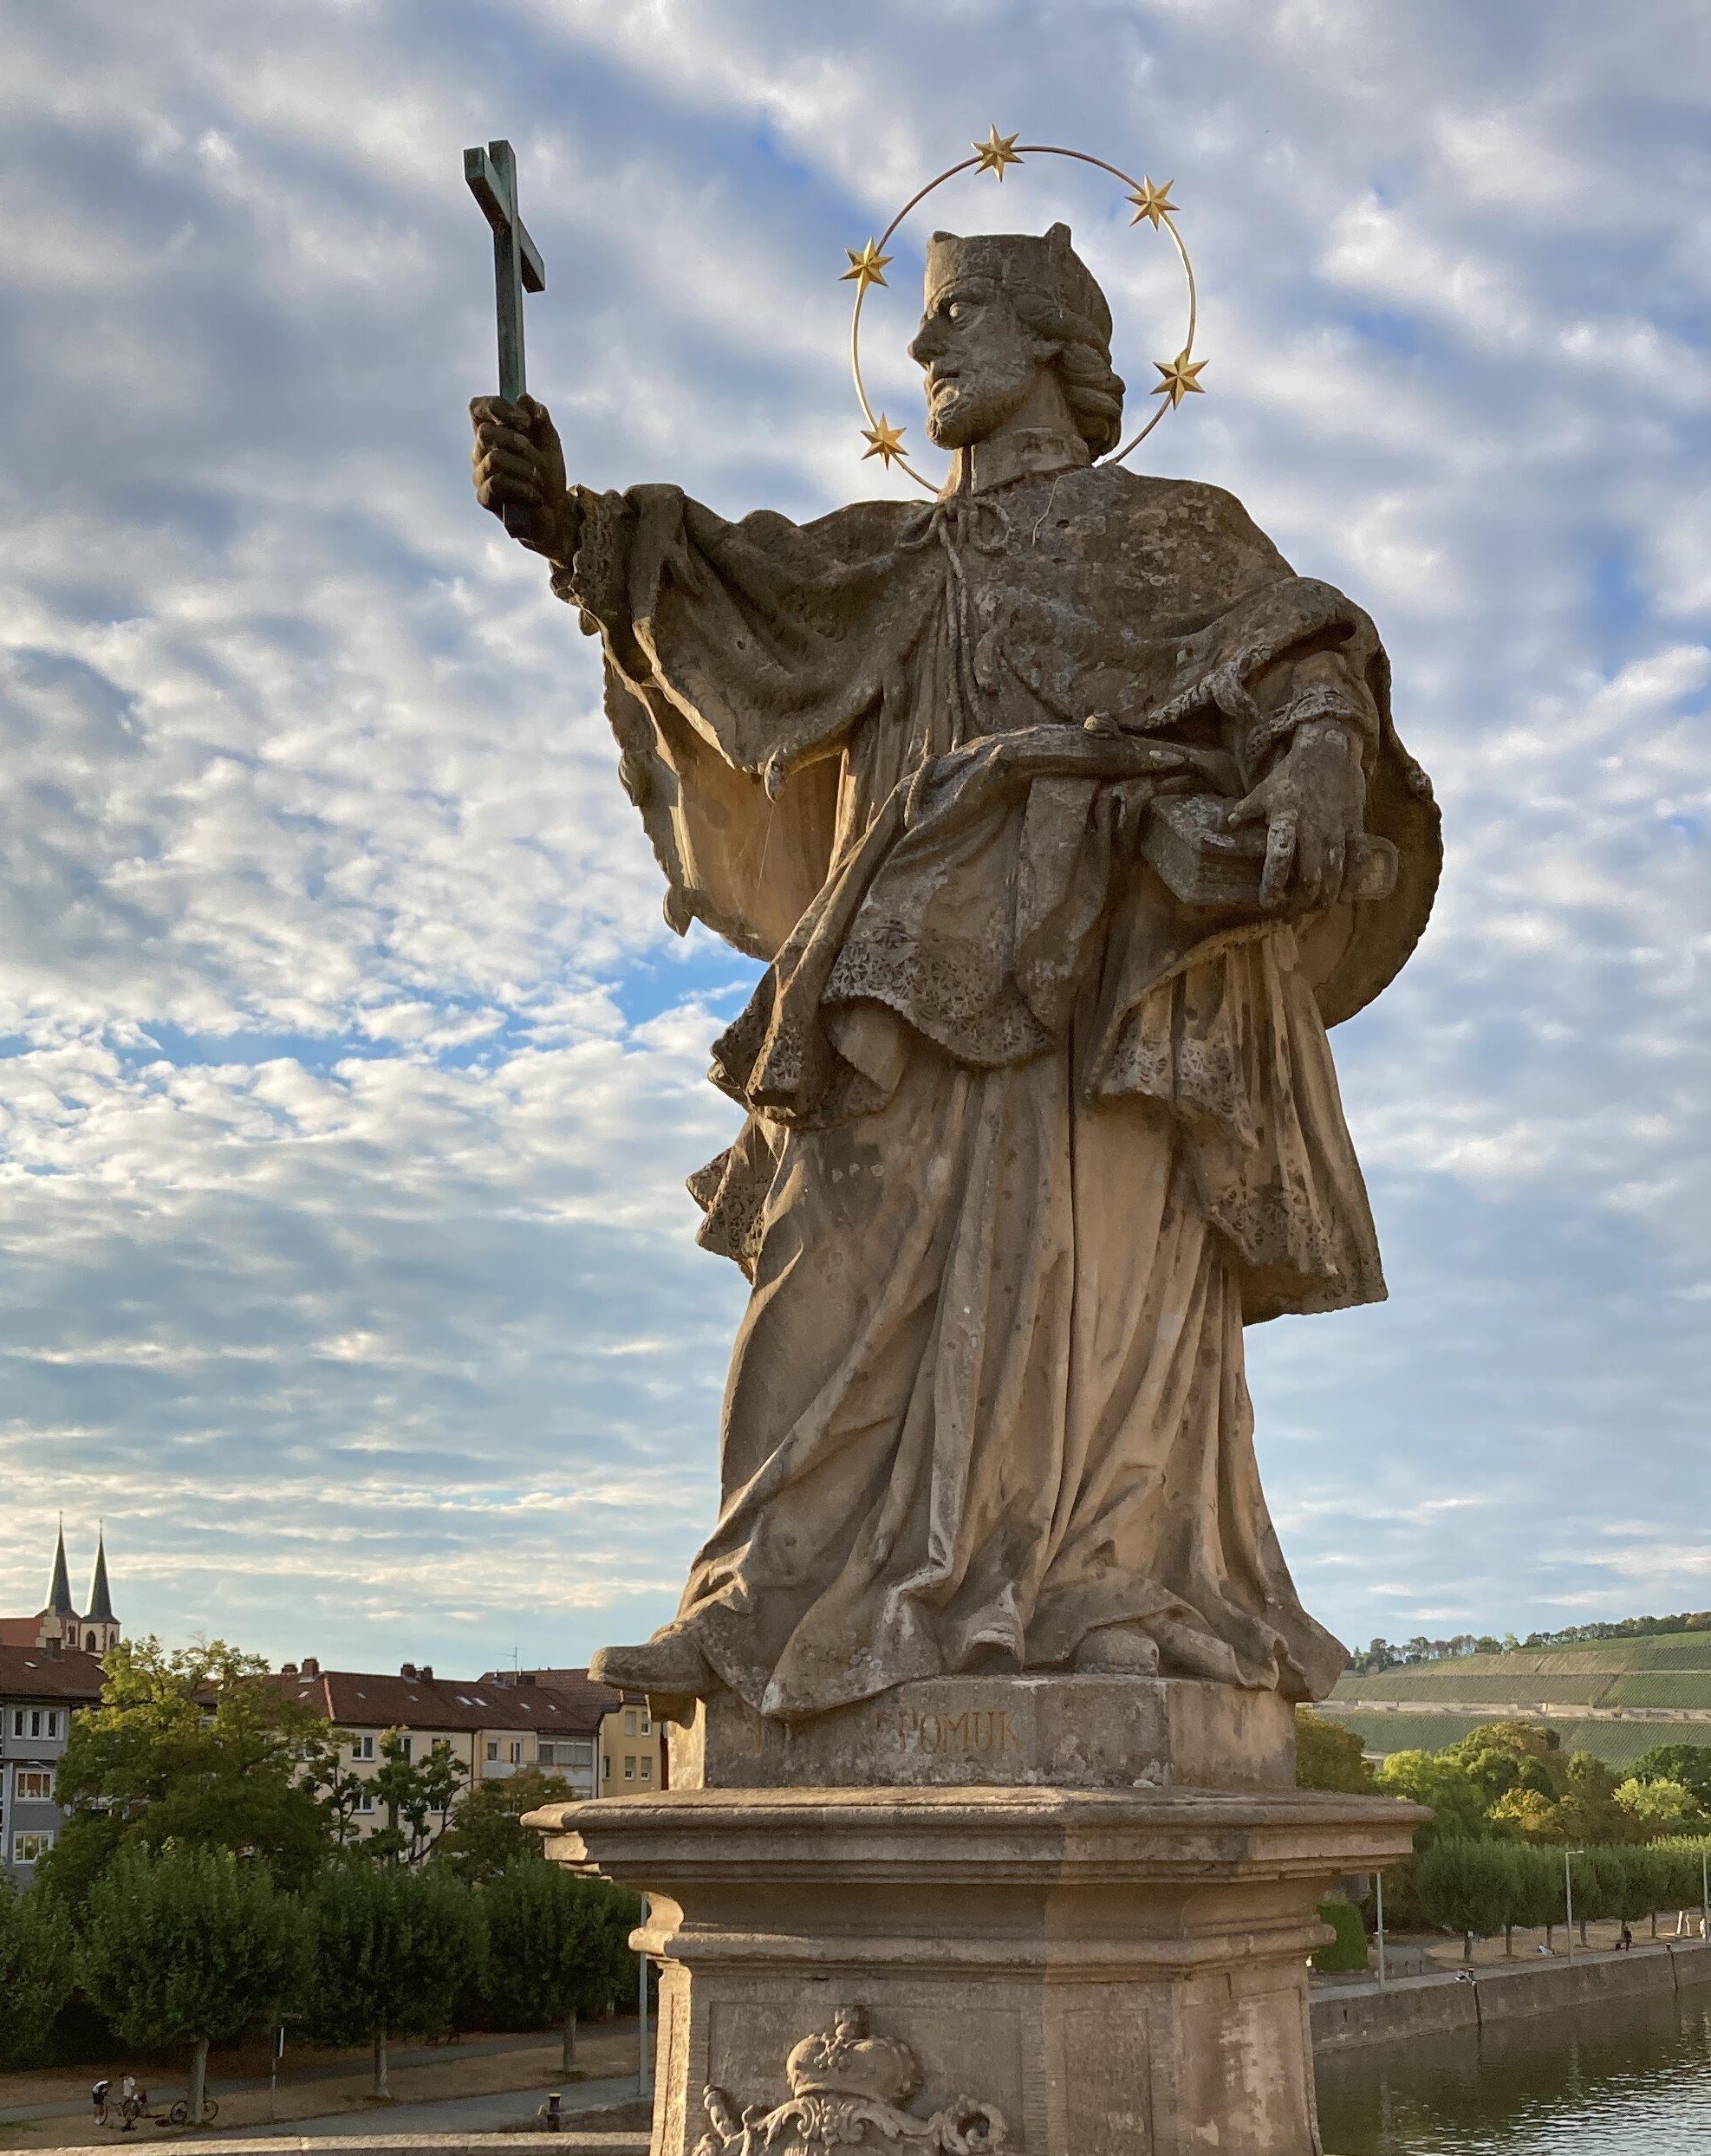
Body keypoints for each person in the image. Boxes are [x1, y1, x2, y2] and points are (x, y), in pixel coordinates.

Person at [470, 222, 1439, 1726]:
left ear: (1055, 342)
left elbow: (1305, 652)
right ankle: (758, 1602)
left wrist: (1317, 757)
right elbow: (724, 593)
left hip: (1111, 958)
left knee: (1092, 1274)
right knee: (824, 1240)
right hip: (905, 943)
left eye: (960, 313)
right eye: (922, 322)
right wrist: (570, 527)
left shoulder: (1177, 533)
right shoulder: (883, 559)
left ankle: (1099, 1587)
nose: (924, 347)